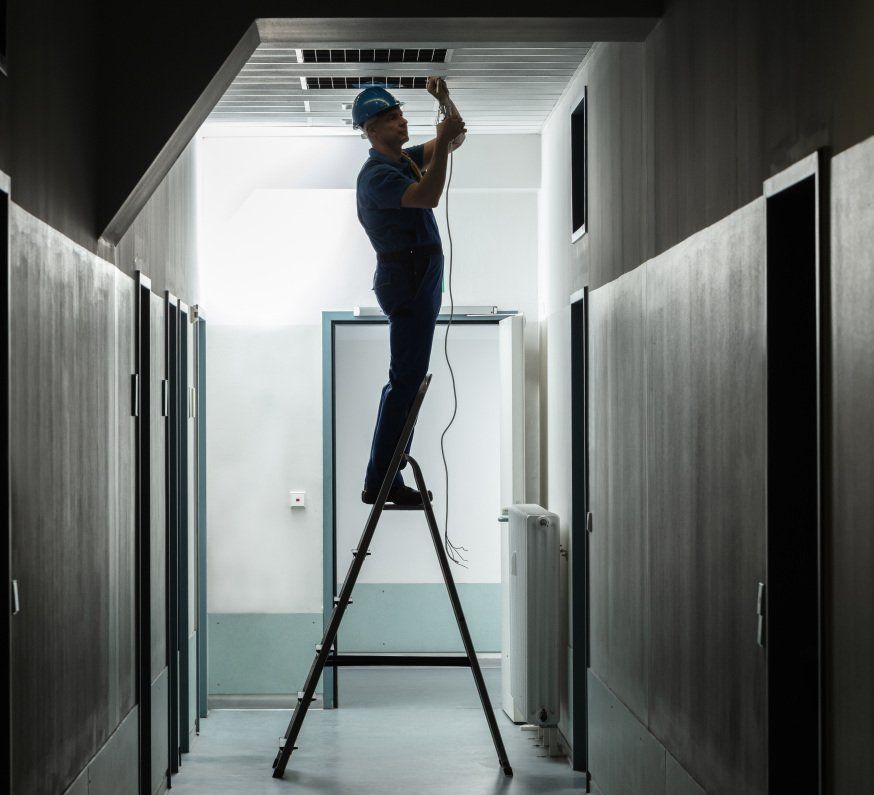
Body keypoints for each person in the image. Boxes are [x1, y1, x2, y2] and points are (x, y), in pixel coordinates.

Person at [354, 77, 466, 506]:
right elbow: (429, 195)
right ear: (369, 129)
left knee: (407, 380)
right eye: (390, 118)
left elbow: (454, 134)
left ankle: (387, 469)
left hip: (419, 274)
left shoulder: (401, 160)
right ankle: (382, 480)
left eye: (400, 114)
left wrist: (443, 101)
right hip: (408, 277)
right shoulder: (378, 176)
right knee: (404, 382)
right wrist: (438, 142)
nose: (401, 122)